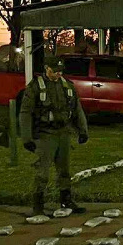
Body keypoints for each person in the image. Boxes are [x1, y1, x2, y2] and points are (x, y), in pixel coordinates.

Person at [19, 54, 89, 216]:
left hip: (63, 133)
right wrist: (27, 138)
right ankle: (38, 206)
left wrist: (83, 130)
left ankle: (66, 200)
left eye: (60, 71)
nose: (58, 74)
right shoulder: (35, 87)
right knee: (42, 172)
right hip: (45, 134)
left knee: (64, 170)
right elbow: (25, 113)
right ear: (46, 68)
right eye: (55, 71)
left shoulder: (68, 86)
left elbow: (77, 109)